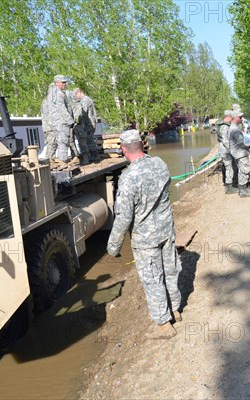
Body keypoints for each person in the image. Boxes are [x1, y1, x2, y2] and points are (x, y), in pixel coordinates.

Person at [106, 129, 182, 340]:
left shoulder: (128, 177)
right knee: (170, 269)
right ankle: (175, 309)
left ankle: (164, 325)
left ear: (123, 149)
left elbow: (123, 217)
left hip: (145, 237)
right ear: (141, 144)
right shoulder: (160, 163)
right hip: (166, 230)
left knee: (153, 278)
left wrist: (113, 246)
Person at [46, 75, 75, 164]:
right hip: (61, 122)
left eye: (65, 82)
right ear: (57, 83)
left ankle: (61, 160)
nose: (65, 84)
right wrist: (70, 121)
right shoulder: (58, 94)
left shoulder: (55, 92)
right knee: (63, 142)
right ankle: (63, 161)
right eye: (63, 82)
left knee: (61, 141)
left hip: (57, 121)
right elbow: (61, 108)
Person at [228, 110, 250, 197]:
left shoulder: (234, 128)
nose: (241, 119)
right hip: (241, 153)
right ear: (235, 118)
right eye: (240, 117)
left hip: (239, 153)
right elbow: (242, 143)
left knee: (244, 170)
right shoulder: (234, 129)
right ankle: (243, 191)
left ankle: (245, 188)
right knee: (244, 170)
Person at [77, 88, 100, 163]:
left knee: (89, 140)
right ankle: (94, 156)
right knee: (89, 140)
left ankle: (94, 157)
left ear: (79, 93)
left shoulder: (85, 100)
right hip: (90, 123)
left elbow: (83, 112)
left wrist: (78, 120)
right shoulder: (88, 99)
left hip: (88, 124)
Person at [217, 110, 236, 194]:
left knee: (226, 166)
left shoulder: (221, 125)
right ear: (228, 117)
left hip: (223, 149)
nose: (231, 120)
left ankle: (227, 183)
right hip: (225, 150)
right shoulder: (224, 126)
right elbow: (225, 140)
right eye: (231, 118)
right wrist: (231, 149)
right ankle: (229, 187)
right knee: (229, 168)